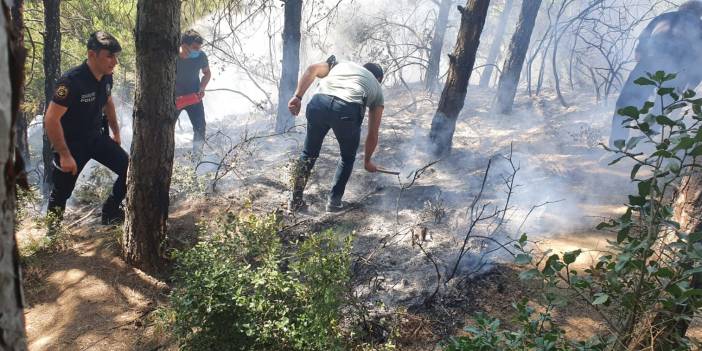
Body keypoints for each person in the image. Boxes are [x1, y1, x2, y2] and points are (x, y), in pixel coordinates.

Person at [44, 31, 128, 228]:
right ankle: (52, 234)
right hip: (71, 145)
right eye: (109, 56)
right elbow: (51, 119)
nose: (114, 61)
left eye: (116, 56)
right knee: (61, 193)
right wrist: (64, 154)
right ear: (92, 55)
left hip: (96, 138)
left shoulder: (107, 77)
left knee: (129, 169)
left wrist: (115, 132)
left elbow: (108, 103)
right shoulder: (71, 82)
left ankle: (110, 211)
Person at [287, 55, 384, 213]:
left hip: (318, 103)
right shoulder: (377, 88)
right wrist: (367, 161)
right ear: (379, 78)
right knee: (347, 157)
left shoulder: (341, 65)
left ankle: (295, 201)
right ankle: (334, 203)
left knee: (308, 153)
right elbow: (373, 133)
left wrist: (297, 96)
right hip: (346, 110)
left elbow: (312, 69)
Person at [610, 1, 702, 146]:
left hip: (649, 62)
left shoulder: (664, 16)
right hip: (679, 70)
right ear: (699, 13)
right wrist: (690, 85)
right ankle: (643, 144)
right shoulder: (700, 26)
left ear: (682, 8)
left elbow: (639, 50)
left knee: (625, 104)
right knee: (661, 110)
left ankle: (616, 148)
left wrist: (644, 63)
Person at [175, 29, 211, 158]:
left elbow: (207, 73)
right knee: (166, 128)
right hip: (174, 99)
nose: (197, 51)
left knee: (200, 126)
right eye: (194, 48)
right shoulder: (172, 56)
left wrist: (202, 87)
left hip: (194, 97)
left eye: (199, 48)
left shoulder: (201, 56)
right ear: (183, 45)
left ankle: (197, 157)